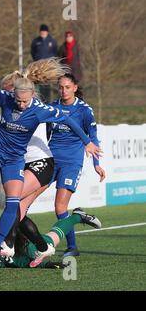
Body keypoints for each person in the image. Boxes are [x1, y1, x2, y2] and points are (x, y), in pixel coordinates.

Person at [0, 59, 102, 260]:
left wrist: (87, 143)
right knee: (14, 209)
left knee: (16, 206)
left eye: (23, 100)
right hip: (10, 156)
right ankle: (20, 245)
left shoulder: (42, 109)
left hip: (40, 162)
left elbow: (69, 121)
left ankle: (8, 244)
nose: (19, 104)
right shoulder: (6, 100)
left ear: (29, 94)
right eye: (15, 98)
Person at [47, 73, 106, 257]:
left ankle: (72, 247)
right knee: (23, 199)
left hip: (71, 162)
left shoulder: (84, 110)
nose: (63, 90)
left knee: (60, 208)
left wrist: (96, 163)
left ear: (74, 88)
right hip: (49, 160)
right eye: (60, 87)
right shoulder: (52, 107)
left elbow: (92, 137)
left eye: (67, 87)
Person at [0, 207, 102, 269]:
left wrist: (45, 264)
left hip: (27, 242)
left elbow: (23, 262)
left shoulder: (24, 249)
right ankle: (78, 215)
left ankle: (78, 216)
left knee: (51, 239)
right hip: (15, 239)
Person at [31, 24, 58, 103]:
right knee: (38, 85)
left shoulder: (52, 41)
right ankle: (38, 101)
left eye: (44, 31)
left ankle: (48, 101)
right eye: (41, 31)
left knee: (47, 85)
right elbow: (32, 52)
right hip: (38, 68)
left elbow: (55, 53)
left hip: (48, 68)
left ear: (47, 32)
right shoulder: (36, 41)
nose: (43, 33)